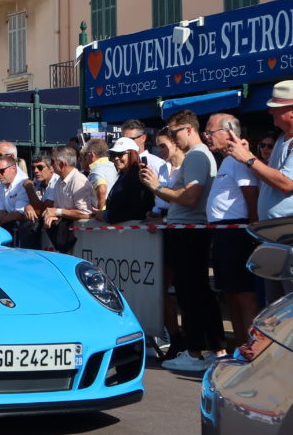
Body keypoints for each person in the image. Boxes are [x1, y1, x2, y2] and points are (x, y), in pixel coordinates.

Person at [140, 109, 220, 372]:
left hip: (189, 231)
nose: (173, 139)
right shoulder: (197, 156)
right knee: (194, 292)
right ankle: (210, 349)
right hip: (187, 229)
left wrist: (157, 187)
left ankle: (196, 352)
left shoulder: (197, 155)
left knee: (191, 292)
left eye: (174, 133)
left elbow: (190, 197)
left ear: (188, 129)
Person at [227, 80, 293, 222]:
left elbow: (286, 184)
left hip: (291, 229)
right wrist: (247, 154)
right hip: (277, 228)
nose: (271, 111)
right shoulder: (283, 138)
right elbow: (271, 175)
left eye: (276, 107)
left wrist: (248, 159)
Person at [202, 112, 260, 350]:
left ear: (228, 133)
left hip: (239, 233)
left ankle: (251, 348)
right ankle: (239, 347)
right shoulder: (226, 160)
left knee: (244, 295)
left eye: (210, 131)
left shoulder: (239, 160)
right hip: (224, 233)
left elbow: (252, 196)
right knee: (230, 294)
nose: (206, 136)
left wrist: (255, 234)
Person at [41, 147, 92, 254]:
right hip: (65, 239)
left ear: (62, 164)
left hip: (80, 242)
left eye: (52, 161)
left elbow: (86, 213)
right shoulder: (59, 181)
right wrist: (52, 215)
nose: (51, 165)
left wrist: (57, 212)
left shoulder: (78, 180)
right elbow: (58, 208)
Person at [98, 137, 154, 224]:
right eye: (113, 155)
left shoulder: (139, 177)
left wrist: (106, 215)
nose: (116, 158)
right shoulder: (124, 176)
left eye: (120, 154)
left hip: (135, 233)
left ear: (132, 154)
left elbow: (136, 210)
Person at [0, 155, 28, 238]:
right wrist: (4, 220)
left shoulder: (23, 183)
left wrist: (0, 222)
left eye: (1, 171)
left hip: (23, 230)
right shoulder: (1, 184)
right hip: (9, 227)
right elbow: (0, 210)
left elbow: (18, 213)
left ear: (14, 168)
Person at [83, 139, 117, 215]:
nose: (85, 158)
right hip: (111, 211)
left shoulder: (97, 170)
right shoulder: (112, 166)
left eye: (86, 154)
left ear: (92, 155)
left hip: (103, 218)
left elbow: (102, 190)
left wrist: (100, 212)